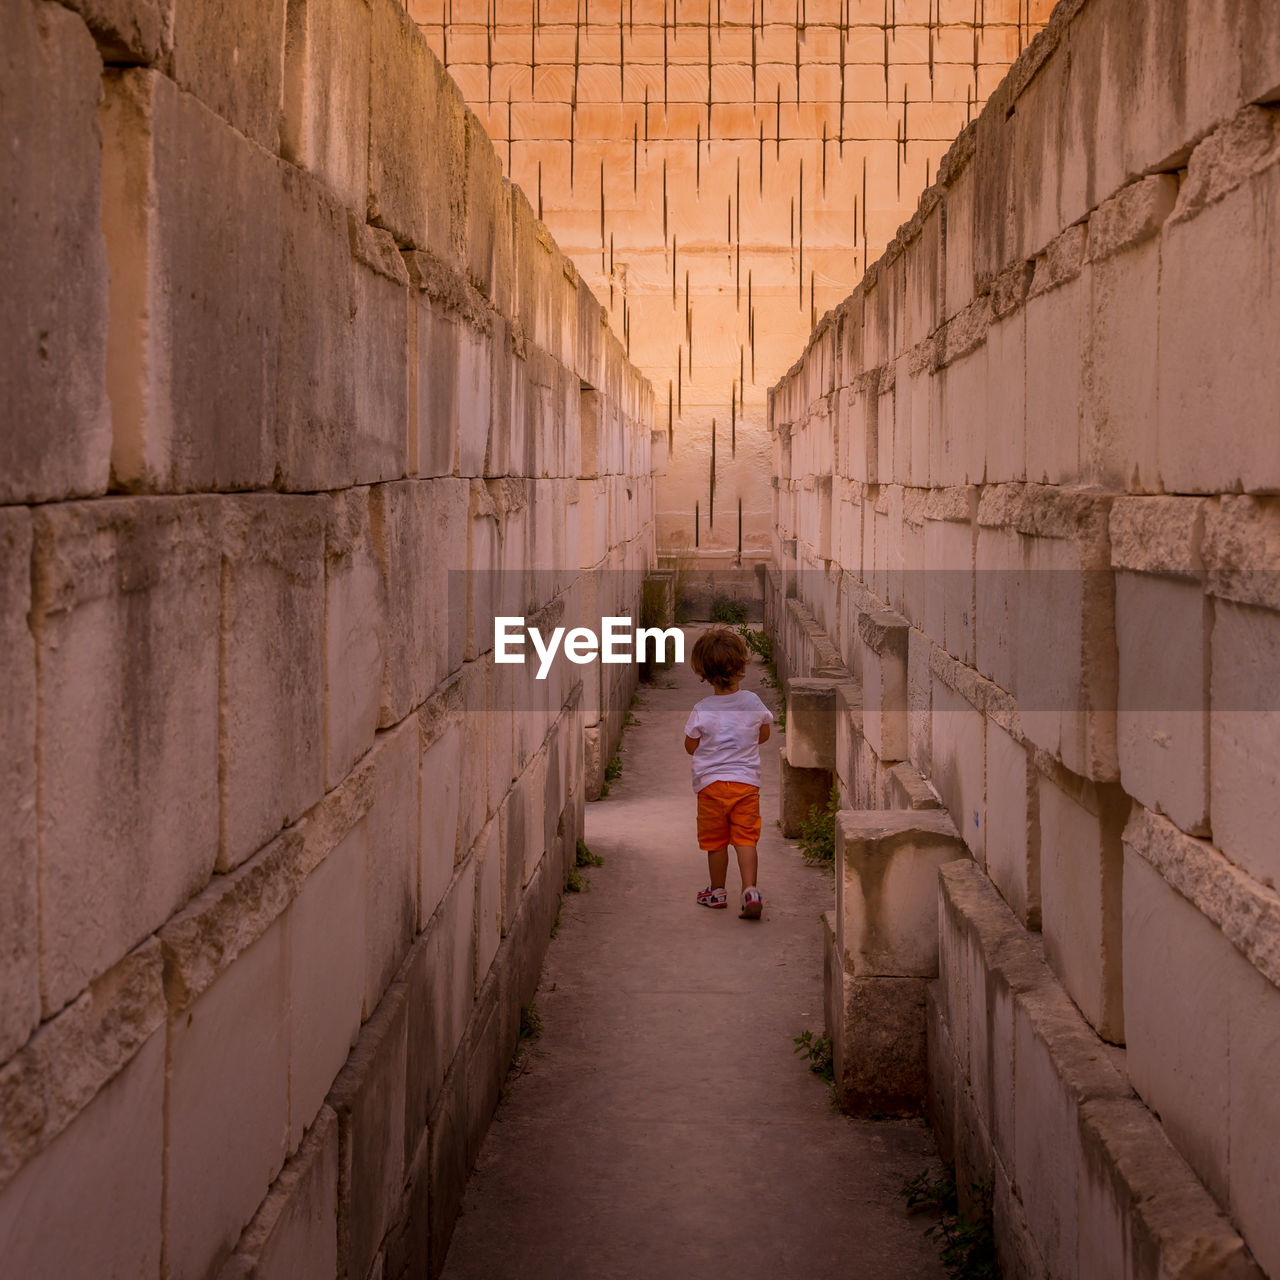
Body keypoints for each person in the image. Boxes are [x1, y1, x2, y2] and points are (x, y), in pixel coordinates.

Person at [683, 626, 775, 919]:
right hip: (746, 785)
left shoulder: (702, 709)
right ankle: (750, 890)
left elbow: (690, 746)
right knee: (746, 838)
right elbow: (764, 734)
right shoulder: (752, 702)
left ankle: (717, 891)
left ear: (703, 673)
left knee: (716, 842)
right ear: (741, 666)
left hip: (710, 787)